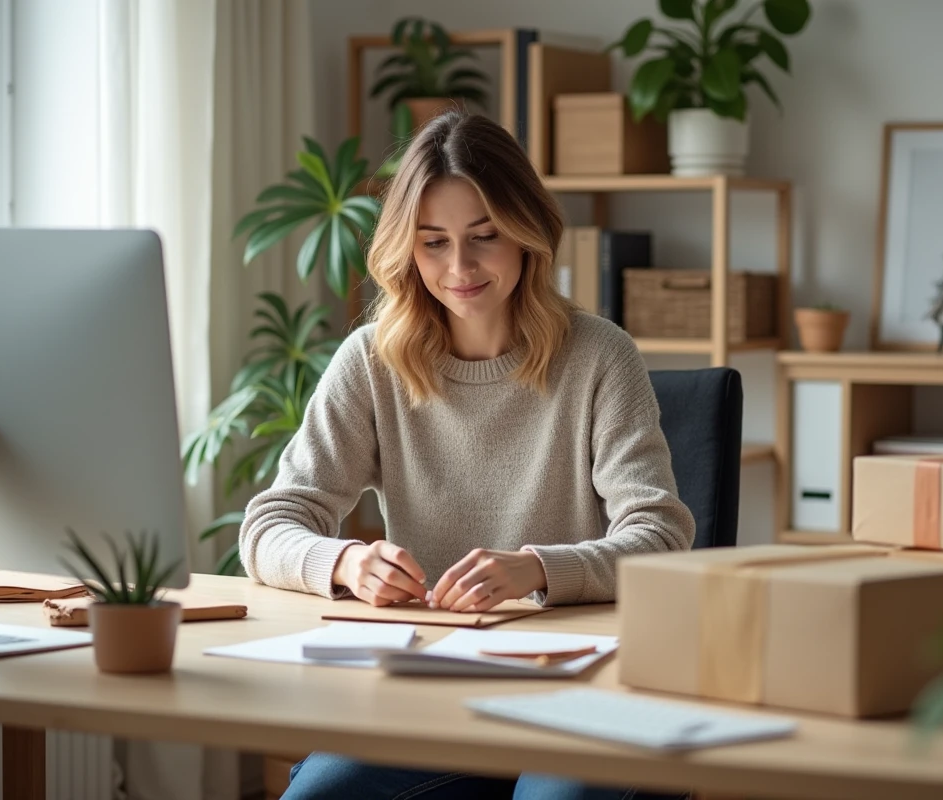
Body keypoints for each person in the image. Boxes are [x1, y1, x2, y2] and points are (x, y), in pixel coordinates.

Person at [240, 110, 695, 800]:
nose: (459, 268)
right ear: (406, 249)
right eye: (434, 243)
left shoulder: (600, 356)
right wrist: (346, 561)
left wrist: (538, 567)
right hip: (428, 695)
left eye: (484, 237)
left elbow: (661, 540)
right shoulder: (372, 361)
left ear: (527, 234)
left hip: (578, 694)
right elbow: (269, 525)